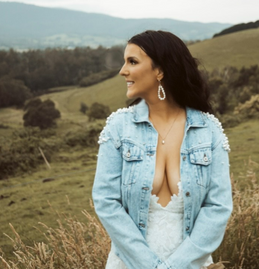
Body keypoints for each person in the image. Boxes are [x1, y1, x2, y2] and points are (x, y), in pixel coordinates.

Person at [92, 30, 232, 269]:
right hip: (130, 264)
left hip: (191, 264)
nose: (122, 70)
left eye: (132, 62)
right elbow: (106, 201)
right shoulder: (118, 128)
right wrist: (150, 265)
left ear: (160, 70)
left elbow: (218, 207)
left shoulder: (209, 130)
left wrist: (176, 266)